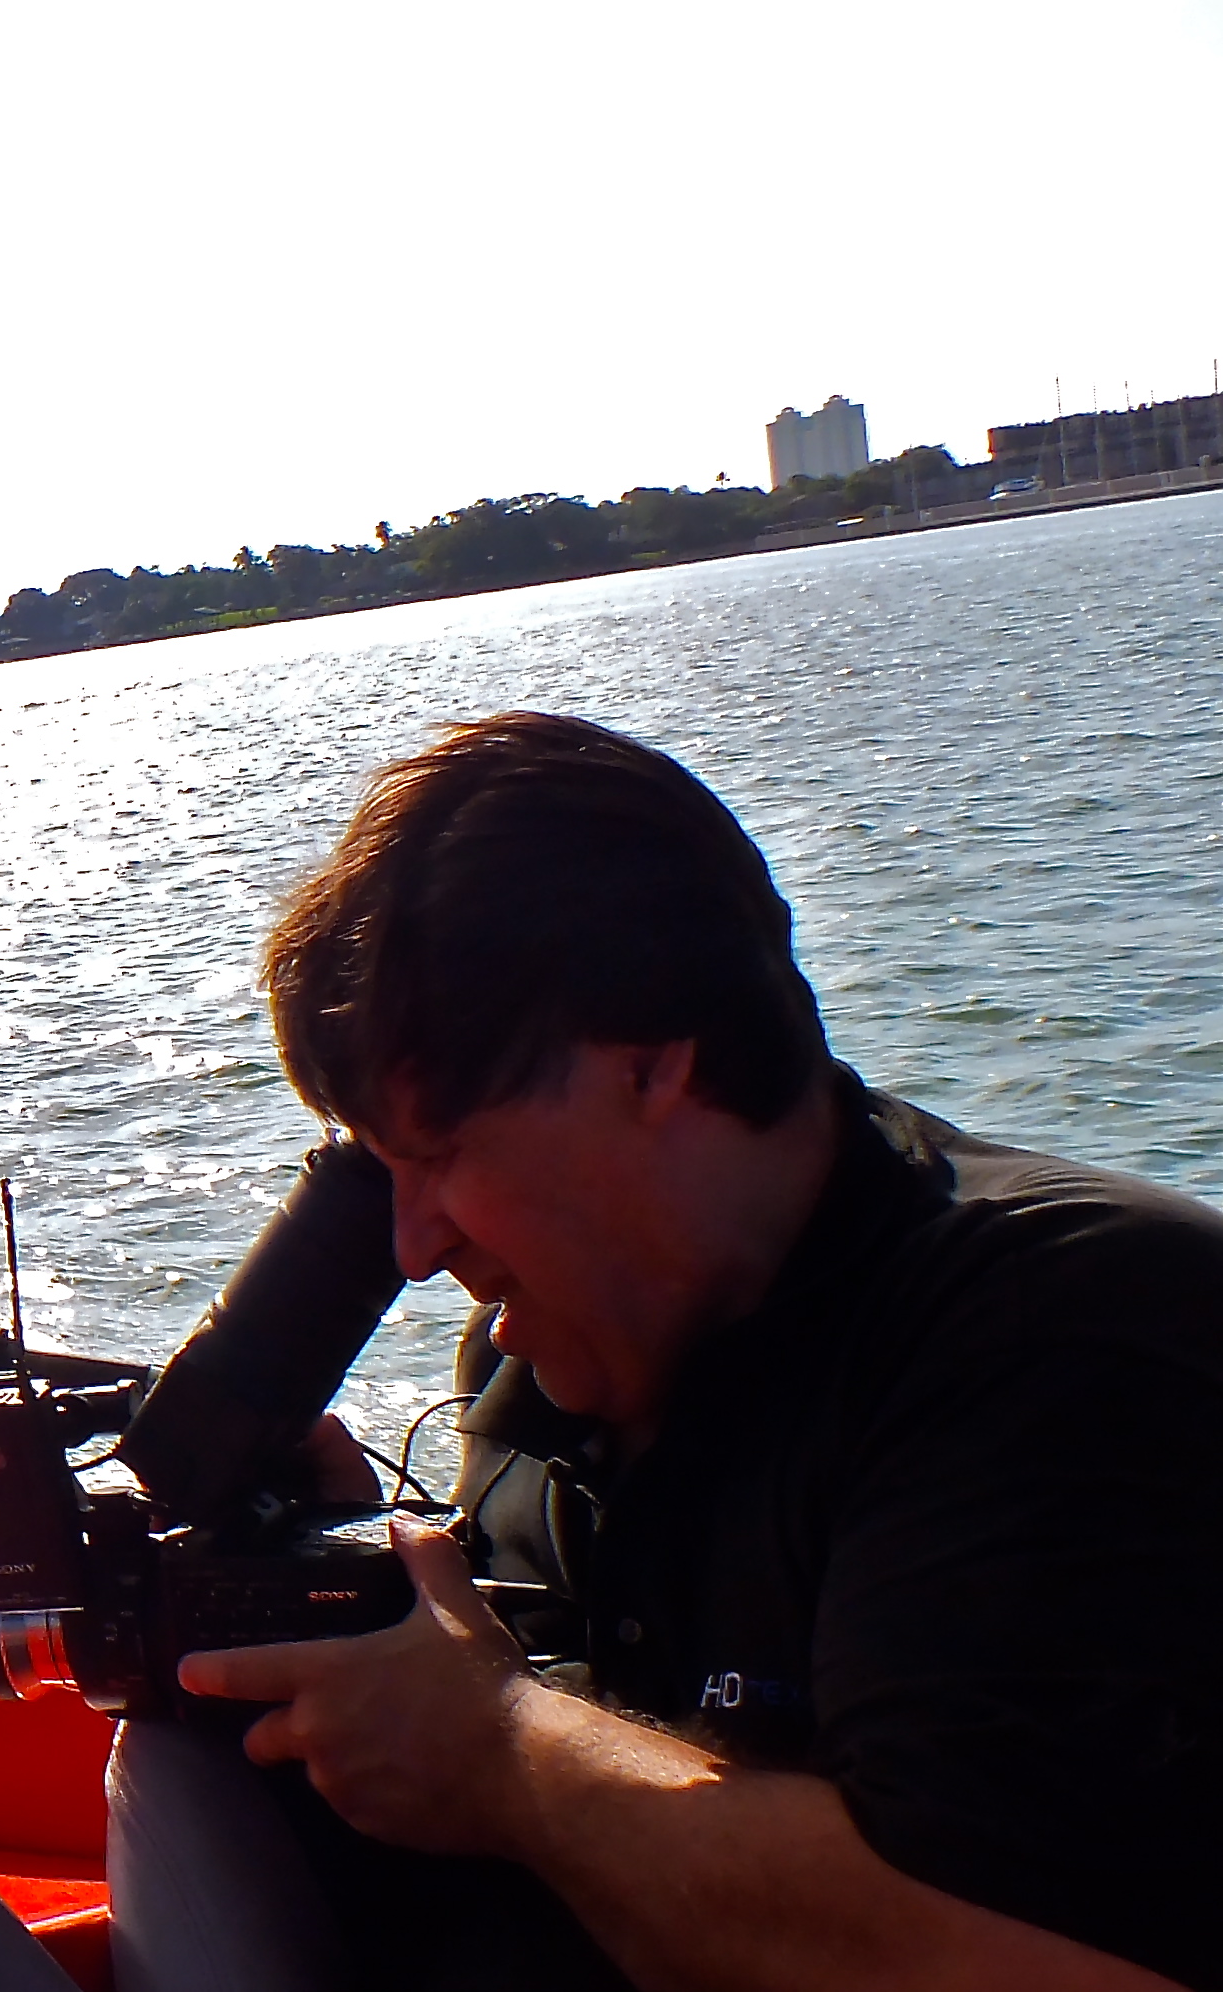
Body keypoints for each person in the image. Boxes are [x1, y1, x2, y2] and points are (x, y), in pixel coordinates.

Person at [121, 711, 1223, 1992]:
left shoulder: (1058, 1331)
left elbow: (1020, 1957)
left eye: (439, 1157)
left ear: (650, 1065)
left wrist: (499, 1753)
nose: (412, 1248)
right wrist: (332, 1577)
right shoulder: (535, 1362)